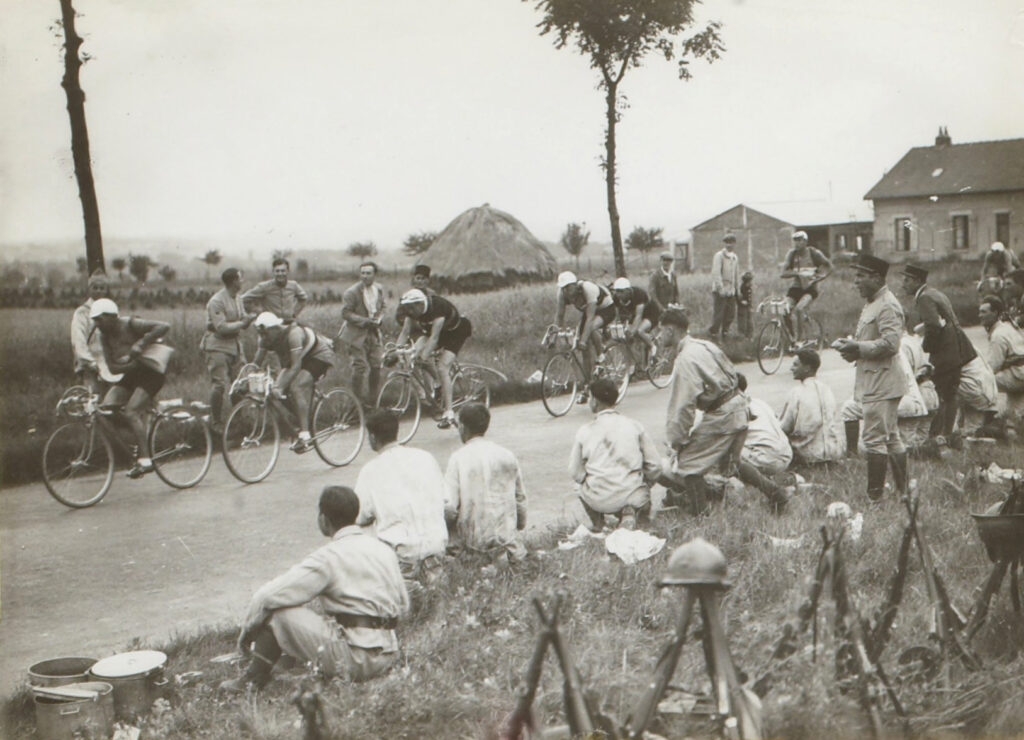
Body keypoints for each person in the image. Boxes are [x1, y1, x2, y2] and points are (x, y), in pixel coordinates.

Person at [219, 485, 409, 694]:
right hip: (391, 652)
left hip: (358, 660)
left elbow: (267, 597)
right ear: (355, 514)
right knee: (321, 620)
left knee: (278, 612)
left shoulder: (328, 557)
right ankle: (283, 664)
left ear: (324, 520)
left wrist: (246, 634)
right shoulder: (382, 549)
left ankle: (252, 680)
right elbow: (404, 605)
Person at [658, 307, 790, 514]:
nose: (659, 336)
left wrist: (677, 440)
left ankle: (700, 517)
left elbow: (683, 405)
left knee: (688, 463)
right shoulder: (704, 345)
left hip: (723, 410)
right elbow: (732, 373)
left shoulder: (685, 359)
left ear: (671, 331)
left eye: (661, 331)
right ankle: (776, 494)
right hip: (739, 403)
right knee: (730, 460)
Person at [835, 254, 907, 501]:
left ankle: (875, 498)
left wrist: (858, 347)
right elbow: (872, 341)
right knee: (891, 437)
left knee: (875, 440)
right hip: (878, 379)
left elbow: (891, 343)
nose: (856, 282)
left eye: (861, 276)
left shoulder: (887, 304)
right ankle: (902, 493)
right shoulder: (873, 302)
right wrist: (853, 350)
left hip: (883, 382)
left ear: (876, 278)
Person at [355, 410, 448, 569]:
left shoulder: (370, 470)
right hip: (437, 548)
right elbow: (447, 501)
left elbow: (359, 516)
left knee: (359, 530)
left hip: (402, 555)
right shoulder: (425, 457)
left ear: (372, 437)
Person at [90, 298, 172, 478]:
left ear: (111, 317)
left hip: (151, 373)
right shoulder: (104, 336)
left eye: (99, 319)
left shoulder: (131, 323)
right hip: (133, 373)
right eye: (94, 320)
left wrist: (140, 343)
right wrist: (131, 365)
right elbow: (112, 367)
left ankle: (146, 460)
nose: (97, 324)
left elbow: (164, 326)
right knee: (105, 411)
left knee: (131, 411)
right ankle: (139, 437)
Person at [568, 378, 662, 530]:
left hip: (598, 498)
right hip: (632, 494)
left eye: (590, 397)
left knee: (577, 487)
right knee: (639, 490)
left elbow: (575, 472)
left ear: (595, 401)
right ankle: (630, 512)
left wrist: (592, 479)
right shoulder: (635, 425)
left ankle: (599, 523)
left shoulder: (585, 431)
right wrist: (646, 481)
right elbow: (656, 465)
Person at [900, 263, 976, 452]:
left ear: (917, 281)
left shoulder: (924, 298)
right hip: (957, 348)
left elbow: (934, 326)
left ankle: (938, 438)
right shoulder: (935, 293)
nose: (903, 284)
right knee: (950, 394)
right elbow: (940, 322)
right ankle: (948, 436)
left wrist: (924, 348)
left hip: (946, 352)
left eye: (907, 280)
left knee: (941, 393)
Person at [444, 403, 527, 561]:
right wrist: (519, 526)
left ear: (462, 427)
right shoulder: (507, 454)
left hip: (473, 546)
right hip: (508, 544)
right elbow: (520, 500)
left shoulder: (457, 458)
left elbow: (449, 508)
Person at [840, 329, 936, 454]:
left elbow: (873, 386)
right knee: (903, 447)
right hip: (914, 402)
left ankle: (851, 454)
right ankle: (928, 450)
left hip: (900, 401)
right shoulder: (898, 346)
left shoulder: (879, 350)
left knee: (849, 408)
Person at [251, 312, 335, 450]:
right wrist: (245, 378)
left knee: (296, 387)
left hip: (317, 357)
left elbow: (296, 366)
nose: (263, 337)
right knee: (276, 393)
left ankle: (305, 434)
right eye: (260, 334)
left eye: (265, 333)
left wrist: (281, 386)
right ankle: (303, 416)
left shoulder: (293, 334)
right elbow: (256, 363)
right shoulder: (265, 338)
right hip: (297, 358)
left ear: (275, 329)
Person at [392, 288, 472, 429]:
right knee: (414, 357)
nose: (410, 312)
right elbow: (405, 332)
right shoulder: (413, 311)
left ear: (419, 305)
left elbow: (434, 338)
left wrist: (423, 355)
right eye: (407, 309)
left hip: (456, 332)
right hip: (435, 334)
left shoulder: (437, 307)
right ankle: (438, 385)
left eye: (411, 309)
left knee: (442, 366)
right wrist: (397, 351)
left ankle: (449, 411)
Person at [201, 267, 254, 432]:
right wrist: (243, 323)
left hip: (235, 346)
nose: (242, 281)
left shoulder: (237, 298)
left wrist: (249, 317)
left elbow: (242, 315)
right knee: (219, 385)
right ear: (233, 282)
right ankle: (216, 422)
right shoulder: (216, 301)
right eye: (240, 278)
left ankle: (238, 419)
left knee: (240, 383)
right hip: (217, 347)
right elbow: (221, 327)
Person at [551, 271, 617, 403]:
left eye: (568, 287)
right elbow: (559, 316)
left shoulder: (588, 288)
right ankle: (587, 387)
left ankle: (601, 356)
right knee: (585, 351)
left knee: (590, 329)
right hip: (589, 313)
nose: (566, 291)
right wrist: (553, 336)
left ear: (575, 285)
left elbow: (590, 318)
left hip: (606, 309)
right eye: (563, 288)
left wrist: (583, 340)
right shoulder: (562, 294)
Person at [778, 349, 843, 464]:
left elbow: (785, 428)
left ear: (807, 368)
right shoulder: (827, 389)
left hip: (807, 455)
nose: (791, 369)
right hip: (833, 453)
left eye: (795, 365)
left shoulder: (796, 392)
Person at [339, 261, 385, 405]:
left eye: (368, 273)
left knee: (376, 366)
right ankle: (357, 404)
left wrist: (379, 319)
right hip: (355, 335)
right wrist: (365, 320)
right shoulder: (352, 292)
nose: (365, 276)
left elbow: (382, 306)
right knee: (359, 367)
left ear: (374, 275)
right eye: (362, 273)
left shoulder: (379, 289)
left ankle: (373, 400)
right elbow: (346, 313)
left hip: (373, 333)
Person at [70, 270, 121, 392]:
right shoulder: (82, 312)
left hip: (109, 364)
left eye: (102, 288)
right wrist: (89, 362)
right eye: (95, 287)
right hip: (90, 365)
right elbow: (78, 340)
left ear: (106, 290)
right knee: (92, 400)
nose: (98, 290)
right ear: (89, 289)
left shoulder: (111, 311)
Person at [780, 231, 832, 343]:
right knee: (784, 310)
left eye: (799, 240)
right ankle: (792, 339)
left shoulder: (814, 253)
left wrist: (819, 277)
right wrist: (797, 273)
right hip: (795, 288)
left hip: (810, 289)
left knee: (799, 309)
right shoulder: (792, 254)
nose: (796, 243)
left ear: (805, 241)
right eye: (795, 240)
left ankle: (800, 339)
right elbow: (783, 273)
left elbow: (829, 266)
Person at [736, 373, 793, 476]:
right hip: (787, 455)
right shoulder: (758, 401)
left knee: (724, 451)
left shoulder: (734, 408)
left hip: (767, 460)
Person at [611, 276, 660, 368]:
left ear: (628, 290)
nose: (618, 294)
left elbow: (639, 315)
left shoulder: (638, 294)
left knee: (639, 331)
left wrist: (632, 331)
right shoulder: (616, 298)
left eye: (621, 292)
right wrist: (618, 328)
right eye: (616, 291)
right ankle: (633, 364)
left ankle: (653, 346)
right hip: (635, 314)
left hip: (651, 314)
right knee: (626, 337)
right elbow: (616, 315)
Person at [980, 295, 1024, 397]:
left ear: (995, 313)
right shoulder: (1008, 326)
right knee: (1009, 413)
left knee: (978, 381)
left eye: (984, 312)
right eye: (980, 312)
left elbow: (993, 367)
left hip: (1019, 376)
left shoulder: (998, 335)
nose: (980, 315)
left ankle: (986, 411)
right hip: (1020, 372)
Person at [241, 257, 308, 322]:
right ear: (273, 271)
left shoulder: (293, 285)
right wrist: (258, 312)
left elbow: (303, 298)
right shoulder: (264, 286)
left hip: (289, 323)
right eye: (277, 271)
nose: (280, 274)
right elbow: (243, 299)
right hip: (270, 325)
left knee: (306, 332)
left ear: (288, 271)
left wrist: (294, 313)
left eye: (283, 271)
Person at [708, 234, 740, 341]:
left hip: (731, 291)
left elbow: (736, 275)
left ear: (735, 244)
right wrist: (720, 288)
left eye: (731, 242)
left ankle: (725, 334)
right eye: (727, 242)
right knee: (719, 315)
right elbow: (716, 273)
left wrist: (737, 289)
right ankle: (714, 334)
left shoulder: (735, 257)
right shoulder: (719, 255)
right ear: (724, 243)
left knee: (730, 314)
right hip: (720, 290)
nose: (729, 245)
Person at [737, 271, 754, 339]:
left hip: (748, 306)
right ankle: (742, 336)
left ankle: (749, 336)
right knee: (742, 321)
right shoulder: (742, 287)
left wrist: (750, 304)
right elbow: (739, 296)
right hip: (742, 306)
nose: (750, 283)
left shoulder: (749, 287)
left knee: (749, 322)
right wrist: (741, 301)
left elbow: (750, 297)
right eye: (748, 281)